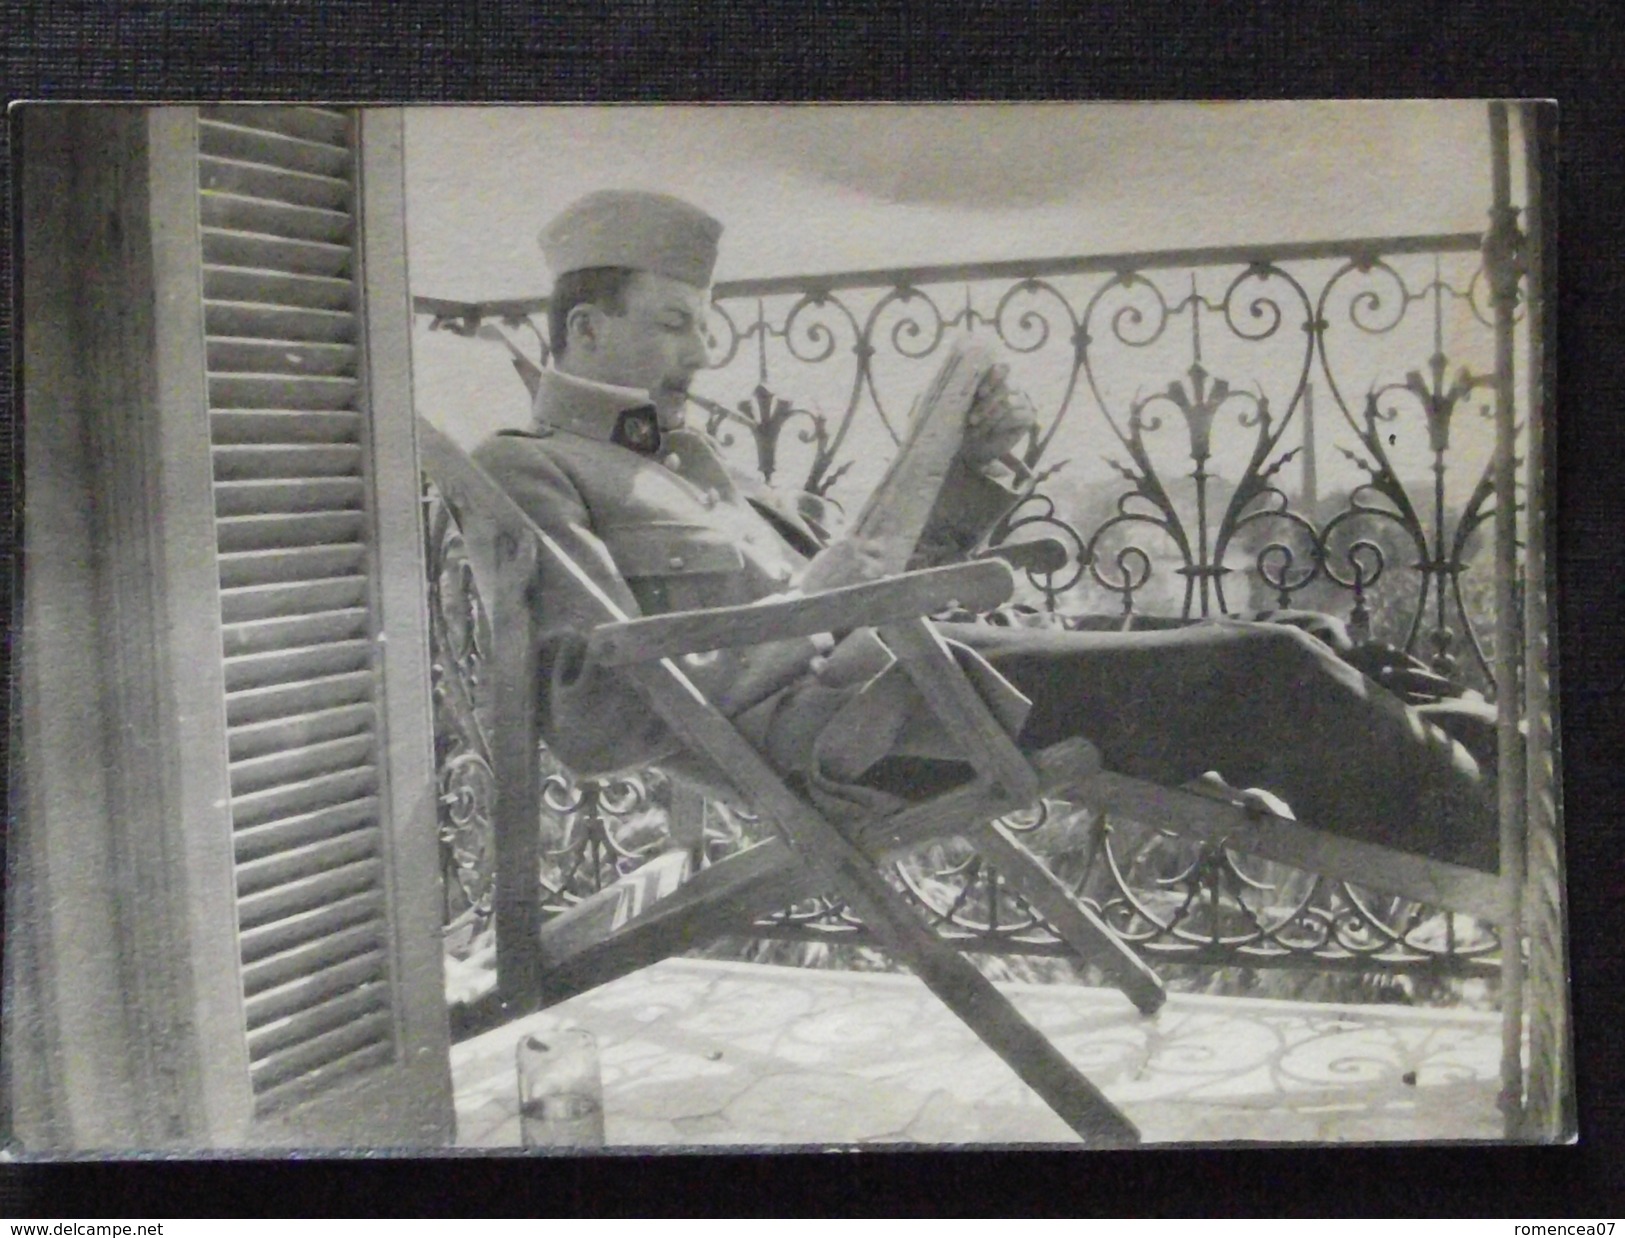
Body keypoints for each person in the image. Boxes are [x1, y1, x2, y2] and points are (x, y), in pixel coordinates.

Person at [474, 190, 1497, 874]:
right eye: (672, 322)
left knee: (1301, 634)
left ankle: (1527, 777)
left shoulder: (695, 461)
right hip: (861, 725)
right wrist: (808, 626)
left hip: (922, 664)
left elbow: (875, 564)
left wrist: (966, 465)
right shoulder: (532, 467)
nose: (702, 349)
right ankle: (1527, 859)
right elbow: (595, 719)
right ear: (583, 332)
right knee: (1266, 669)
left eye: (704, 321)